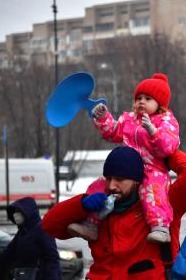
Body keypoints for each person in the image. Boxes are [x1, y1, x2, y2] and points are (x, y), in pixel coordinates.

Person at [42, 146, 186, 279]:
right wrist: (81, 204)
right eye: (109, 178)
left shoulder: (162, 204)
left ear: (137, 180)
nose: (112, 185)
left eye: (119, 179)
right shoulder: (98, 207)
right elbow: (49, 225)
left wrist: (159, 150)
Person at [69, 73, 179, 244]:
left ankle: (160, 227)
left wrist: (153, 132)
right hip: (127, 167)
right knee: (101, 186)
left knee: (153, 190)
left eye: (148, 98)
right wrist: (103, 117)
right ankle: (92, 224)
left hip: (152, 167)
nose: (141, 102)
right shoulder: (129, 118)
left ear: (160, 104)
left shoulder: (165, 121)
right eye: (138, 98)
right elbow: (113, 132)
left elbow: (168, 147)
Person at [0, 197, 61, 280]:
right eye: (14, 212)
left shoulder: (42, 229)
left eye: (18, 211)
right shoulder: (22, 232)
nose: (15, 214)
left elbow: (52, 258)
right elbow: (8, 254)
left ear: (28, 212)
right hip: (25, 275)